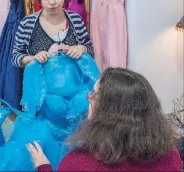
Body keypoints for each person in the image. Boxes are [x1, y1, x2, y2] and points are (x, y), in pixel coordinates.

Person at [27, 67, 182, 171]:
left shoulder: (77, 164)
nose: (88, 98)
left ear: (107, 111)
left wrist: (43, 167)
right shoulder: (170, 154)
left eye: (94, 94)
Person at [12, 0, 94, 68]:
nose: (52, 2)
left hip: (73, 81)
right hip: (40, 81)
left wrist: (82, 49)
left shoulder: (75, 20)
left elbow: (90, 49)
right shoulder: (27, 23)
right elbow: (15, 57)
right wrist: (33, 58)